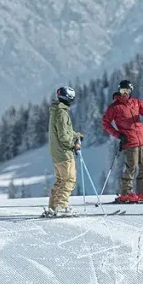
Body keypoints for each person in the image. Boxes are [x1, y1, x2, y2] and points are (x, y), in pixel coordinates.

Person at [102, 79, 143, 203]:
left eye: (127, 90)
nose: (124, 93)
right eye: (122, 90)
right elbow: (105, 123)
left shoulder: (136, 103)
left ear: (131, 91)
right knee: (131, 167)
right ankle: (126, 193)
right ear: (119, 90)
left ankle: (142, 193)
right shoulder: (115, 107)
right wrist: (118, 135)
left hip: (142, 141)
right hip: (129, 142)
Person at [45, 86, 83, 217]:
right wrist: (74, 144)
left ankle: (53, 206)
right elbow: (63, 136)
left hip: (56, 151)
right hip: (63, 151)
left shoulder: (56, 110)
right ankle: (61, 206)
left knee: (60, 180)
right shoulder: (62, 113)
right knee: (69, 179)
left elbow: (64, 131)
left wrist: (75, 134)